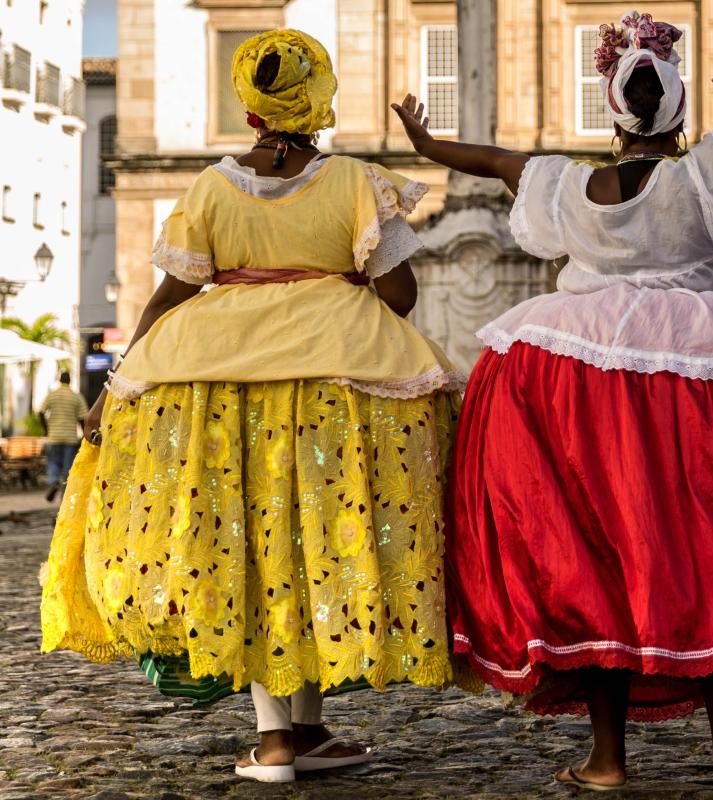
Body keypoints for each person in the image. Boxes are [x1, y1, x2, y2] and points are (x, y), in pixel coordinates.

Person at [394, 4, 713, 792]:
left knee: (598, 558)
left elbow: (496, 159)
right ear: (677, 112)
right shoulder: (707, 171)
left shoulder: (566, 185)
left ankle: (607, 759)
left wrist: (428, 145)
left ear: (613, 115)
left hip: (578, 381)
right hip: (704, 376)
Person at [39, 30, 463, 784]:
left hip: (216, 385)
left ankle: (284, 737)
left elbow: (168, 296)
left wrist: (115, 383)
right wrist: (331, 284)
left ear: (251, 106)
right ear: (319, 96)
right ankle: (299, 731)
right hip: (336, 384)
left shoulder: (211, 187)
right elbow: (398, 293)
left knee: (248, 546)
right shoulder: (355, 182)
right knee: (313, 546)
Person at [40, 371, 88, 502]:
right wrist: (85, 434)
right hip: (70, 438)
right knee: (68, 469)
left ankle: (54, 482)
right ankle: (64, 497)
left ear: (60, 380)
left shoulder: (52, 395)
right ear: (69, 381)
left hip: (53, 437)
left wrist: (46, 430)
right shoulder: (76, 396)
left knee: (53, 462)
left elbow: (41, 412)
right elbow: (83, 418)